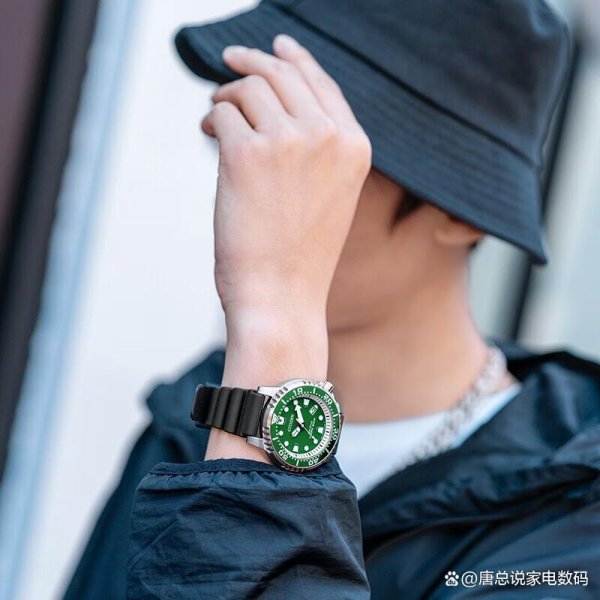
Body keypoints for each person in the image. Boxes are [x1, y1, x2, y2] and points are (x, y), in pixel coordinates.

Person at [65, 1, 600, 599]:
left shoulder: (570, 526)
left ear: (460, 211)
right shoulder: (191, 419)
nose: (249, 194)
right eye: (253, 142)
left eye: (314, 161)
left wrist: (274, 333)